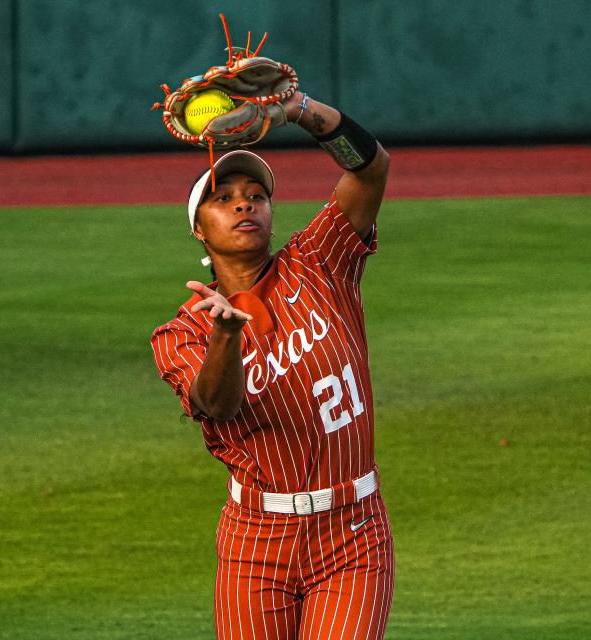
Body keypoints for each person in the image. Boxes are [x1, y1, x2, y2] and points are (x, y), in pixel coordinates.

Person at [151, 89, 393, 640]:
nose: (244, 204)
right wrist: (225, 338)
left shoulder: (319, 263)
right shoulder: (182, 332)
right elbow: (216, 404)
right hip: (255, 542)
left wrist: (299, 110)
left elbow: (372, 167)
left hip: (352, 531)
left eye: (256, 194)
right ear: (199, 230)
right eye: (224, 198)